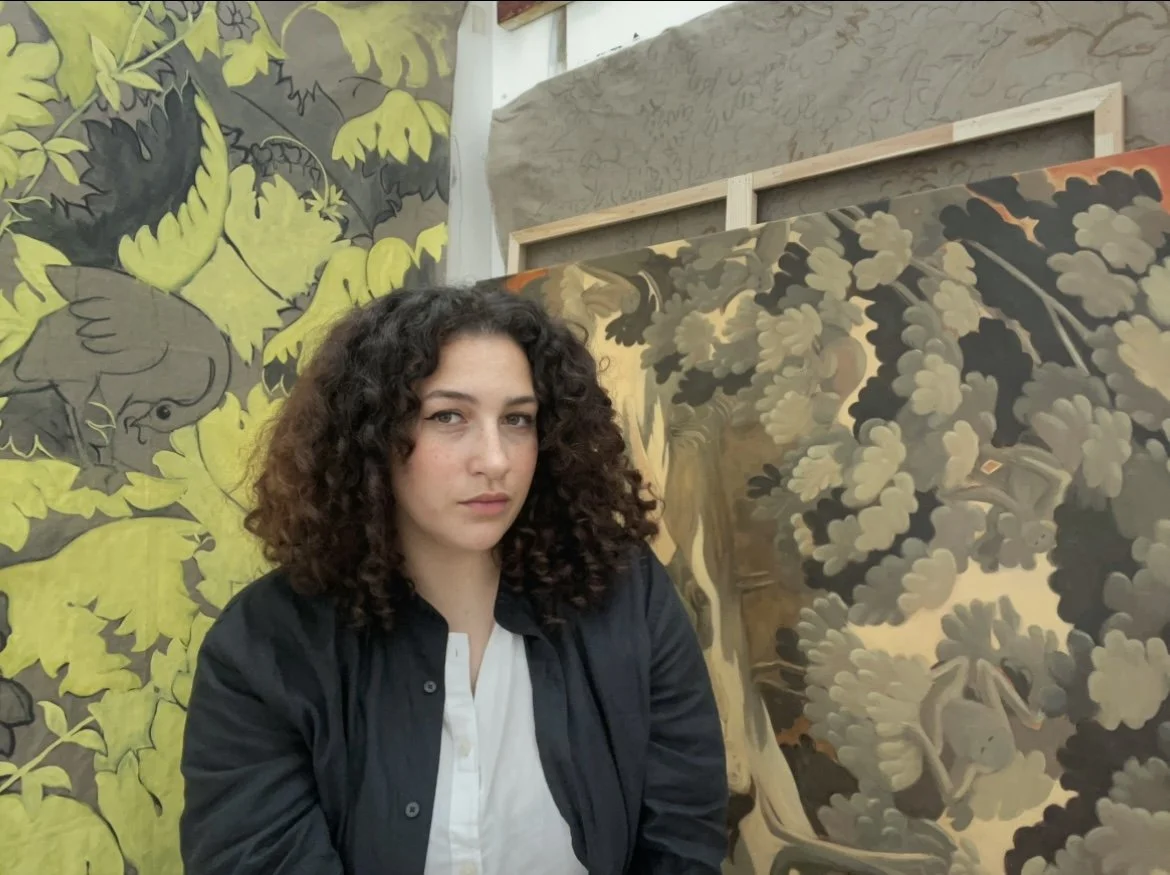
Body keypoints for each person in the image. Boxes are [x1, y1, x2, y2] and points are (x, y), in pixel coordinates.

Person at [178, 284, 729, 875]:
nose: (495, 459)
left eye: (517, 419)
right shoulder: (265, 645)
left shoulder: (627, 596)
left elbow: (683, 833)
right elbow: (257, 858)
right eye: (448, 416)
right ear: (370, 434)